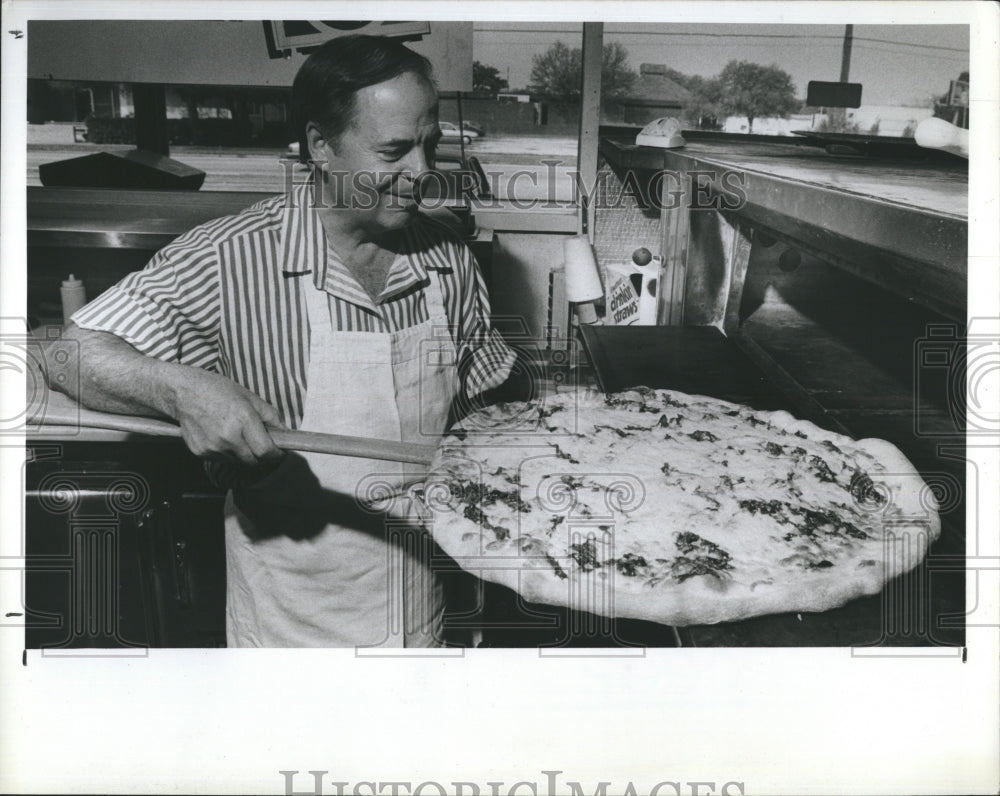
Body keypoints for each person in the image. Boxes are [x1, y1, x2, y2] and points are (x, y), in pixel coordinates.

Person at [44, 35, 517, 648]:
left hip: (417, 605)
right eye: (395, 151)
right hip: (287, 625)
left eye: (430, 146)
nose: (422, 174)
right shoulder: (228, 257)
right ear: (321, 146)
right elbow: (63, 352)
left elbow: (482, 423)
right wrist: (181, 389)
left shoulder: (449, 260)